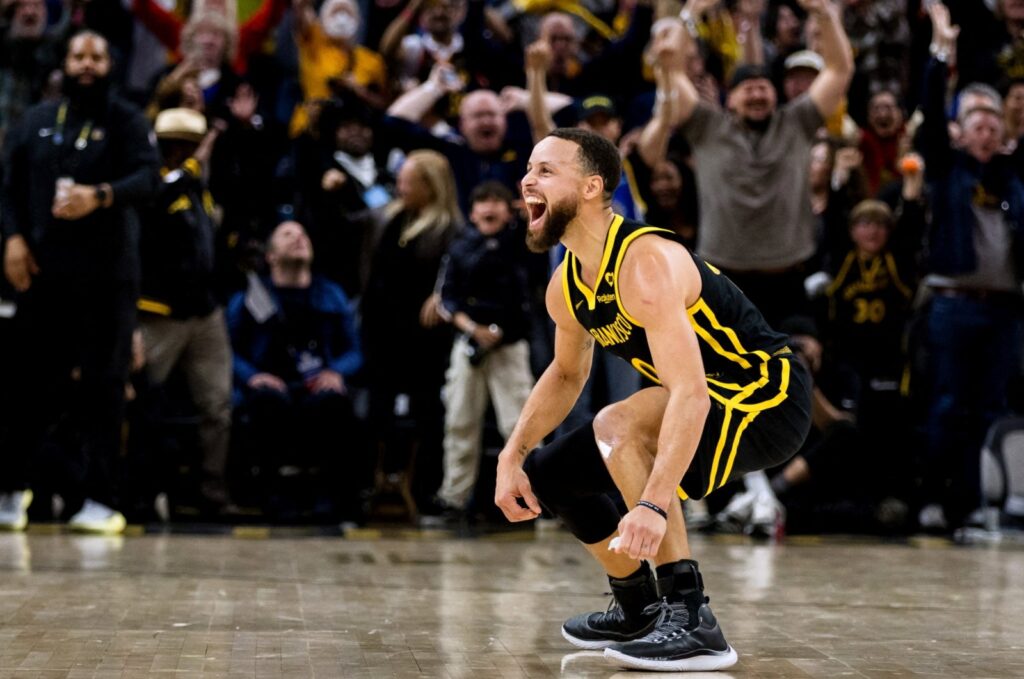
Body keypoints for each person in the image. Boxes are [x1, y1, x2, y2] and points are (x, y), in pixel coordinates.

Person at [494, 128, 812, 671]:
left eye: (546, 170)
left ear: (592, 187)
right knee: (553, 475)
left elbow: (690, 393)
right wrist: (513, 453)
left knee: (619, 423)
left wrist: (652, 504)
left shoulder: (646, 263)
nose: (527, 180)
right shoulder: (566, 284)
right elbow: (567, 375)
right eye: (528, 169)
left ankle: (691, 618)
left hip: (768, 395)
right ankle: (640, 607)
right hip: (702, 397)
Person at [0, 30, 160, 533]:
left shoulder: (127, 120)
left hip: (107, 279)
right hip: (45, 276)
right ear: (64, 63)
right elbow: (8, 187)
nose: (87, 64)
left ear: (110, 63)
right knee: (26, 386)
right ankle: (9, 493)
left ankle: (101, 501)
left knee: (104, 388)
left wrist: (102, 195)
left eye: (96, 55)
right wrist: (12, 239)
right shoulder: (36, 120)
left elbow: (149, 178)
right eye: (78, 56)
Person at [640, 0, 853, 327]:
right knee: (723, 375)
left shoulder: (797, 121)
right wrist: (691, 14)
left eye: (764, 88)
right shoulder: (706, 125)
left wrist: (824, 13)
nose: (757, 95)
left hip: (789, 277)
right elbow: (671, 68)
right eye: (748, 89)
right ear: (731, 98)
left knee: (800, 365)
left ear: (775, 94)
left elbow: (840, 70)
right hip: (722, 278)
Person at [226, 220, 364, 521]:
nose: (299, 238)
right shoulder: (251, 296)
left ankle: (331, 499)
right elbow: (229, 350)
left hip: (316, 387)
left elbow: (354, 352)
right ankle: (272, 495)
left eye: (303, 234)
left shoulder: (331, 293)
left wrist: (336, 372)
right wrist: (252, 376)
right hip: (272, 388)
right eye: (288, 235)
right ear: (271, 256)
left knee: (336, 404)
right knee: (264, 403)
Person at [136, 107, 234, 515]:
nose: (188, 152)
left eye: (193, 145)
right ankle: (140, 491)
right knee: (145, 401)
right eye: (181, 145)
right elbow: (157, 206)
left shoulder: (199, 188)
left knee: (217, 404)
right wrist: (194, 165)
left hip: (204, 314)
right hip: (161, 313)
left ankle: (211, 490)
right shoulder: (150, 184)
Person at [429, 181, 534, 523]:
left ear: (508, 209)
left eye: (497, 202)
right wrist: (473, 329)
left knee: (520, 425)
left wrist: (500, 331)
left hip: (511, 344)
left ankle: (539, 498)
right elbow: (448, 297)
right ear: (472, 211)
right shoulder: (459, 247)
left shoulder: (524, 244)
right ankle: (454, 498)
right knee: (459, 421)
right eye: (482, 202)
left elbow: (530, 293)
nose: (489, 208)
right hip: (469, 343)